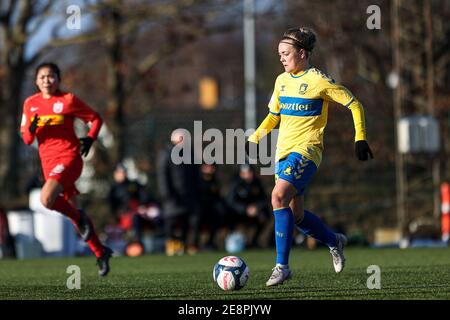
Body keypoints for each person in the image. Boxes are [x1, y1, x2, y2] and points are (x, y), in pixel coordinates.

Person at [247, 27, 373, 286]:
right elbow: (274, 115)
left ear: (301, 53)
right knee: (297, 215)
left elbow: (354, 103)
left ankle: (282, 266)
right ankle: (333, 240)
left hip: (307, 150)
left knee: (278, 197)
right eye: (279, 54)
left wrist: (360, 137)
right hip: (283, 153)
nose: (281, 59)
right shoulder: (281, 81)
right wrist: (254, 138)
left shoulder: (319, 81)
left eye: (286, 53)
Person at [20, 62, 113, 276]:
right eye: (42, 77)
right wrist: (31, 130)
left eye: (51, 76)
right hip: (48, 163)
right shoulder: (30, 104)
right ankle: (100, 252)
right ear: (36, 81)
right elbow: (26, 139)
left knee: (46, 199)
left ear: (58, 79)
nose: (46, 80)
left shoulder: (68, 100)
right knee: (72, 214)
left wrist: (90, 139)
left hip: (69, 158)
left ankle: (79, 217)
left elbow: (95, 118)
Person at [157, 129, 200, 255]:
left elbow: (195, 174)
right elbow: (163, 177)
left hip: (189, 196)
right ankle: (171, 246)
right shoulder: (166, 154)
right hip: (173, 197)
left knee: (189, 222)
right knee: (172, 222)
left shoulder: (189, 154)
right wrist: (168, 194)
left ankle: (186, 245)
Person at [226, 165, 271, 248]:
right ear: (241, 174)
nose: (248, 175)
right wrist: (245, 209)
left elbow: (264, 199)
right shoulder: (236, 184)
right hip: (238, 213)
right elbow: (231, 202)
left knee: (265, 215)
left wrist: (257, 208)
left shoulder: (257, 183)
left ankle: (254, 241)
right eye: (245, 173)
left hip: (254, 212)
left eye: (250, 172)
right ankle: (233, 241)